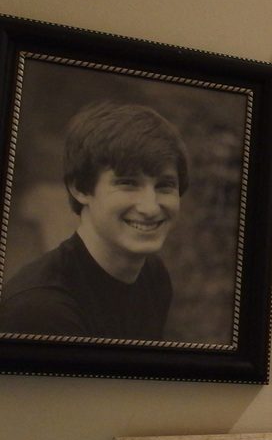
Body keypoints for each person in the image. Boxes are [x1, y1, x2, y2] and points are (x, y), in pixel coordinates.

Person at [0, 101, 188, 339]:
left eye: (164, 186)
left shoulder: (152, 276)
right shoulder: (40, 310)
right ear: (80, 188)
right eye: (128, 183)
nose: (150, 207)